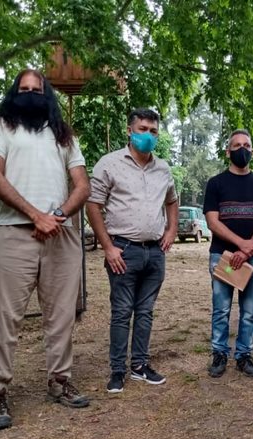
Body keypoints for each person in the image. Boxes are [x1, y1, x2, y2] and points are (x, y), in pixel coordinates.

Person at [0, 69, 91, 429]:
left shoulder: (63, 134)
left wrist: (56, 215)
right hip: (14, 233)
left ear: (48, 95)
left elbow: (82, 185)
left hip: (61, 234)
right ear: (14, 92)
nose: (30, 94)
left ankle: (59, 380)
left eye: (37, 89)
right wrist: (35, 215)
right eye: (23, 89)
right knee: (4, 318)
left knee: (61, 316)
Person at [87, 108, 178, 394]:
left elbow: (172, 201)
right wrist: (108, 247)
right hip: (123, 250)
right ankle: (117, 370)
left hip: (155, 252)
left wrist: (171, 230)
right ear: (129, 130)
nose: (147, 135)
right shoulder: (109, 164)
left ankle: (140, 365)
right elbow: (93, 205)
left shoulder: (162, 168)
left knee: (146, 311)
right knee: (122, 311)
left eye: (153, 131)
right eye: (142, 129)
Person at [204, 129, 253, 378]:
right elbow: (213, 221)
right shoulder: (215, 184)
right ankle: (219, 353)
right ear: (227, 151)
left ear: (252, 150)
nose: (242, 149)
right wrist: (240, 245)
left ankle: (244, 355)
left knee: (250, 311)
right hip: (222, 257)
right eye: (236, 145)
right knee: (221, 309)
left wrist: (248, 249)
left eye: (246, 145)